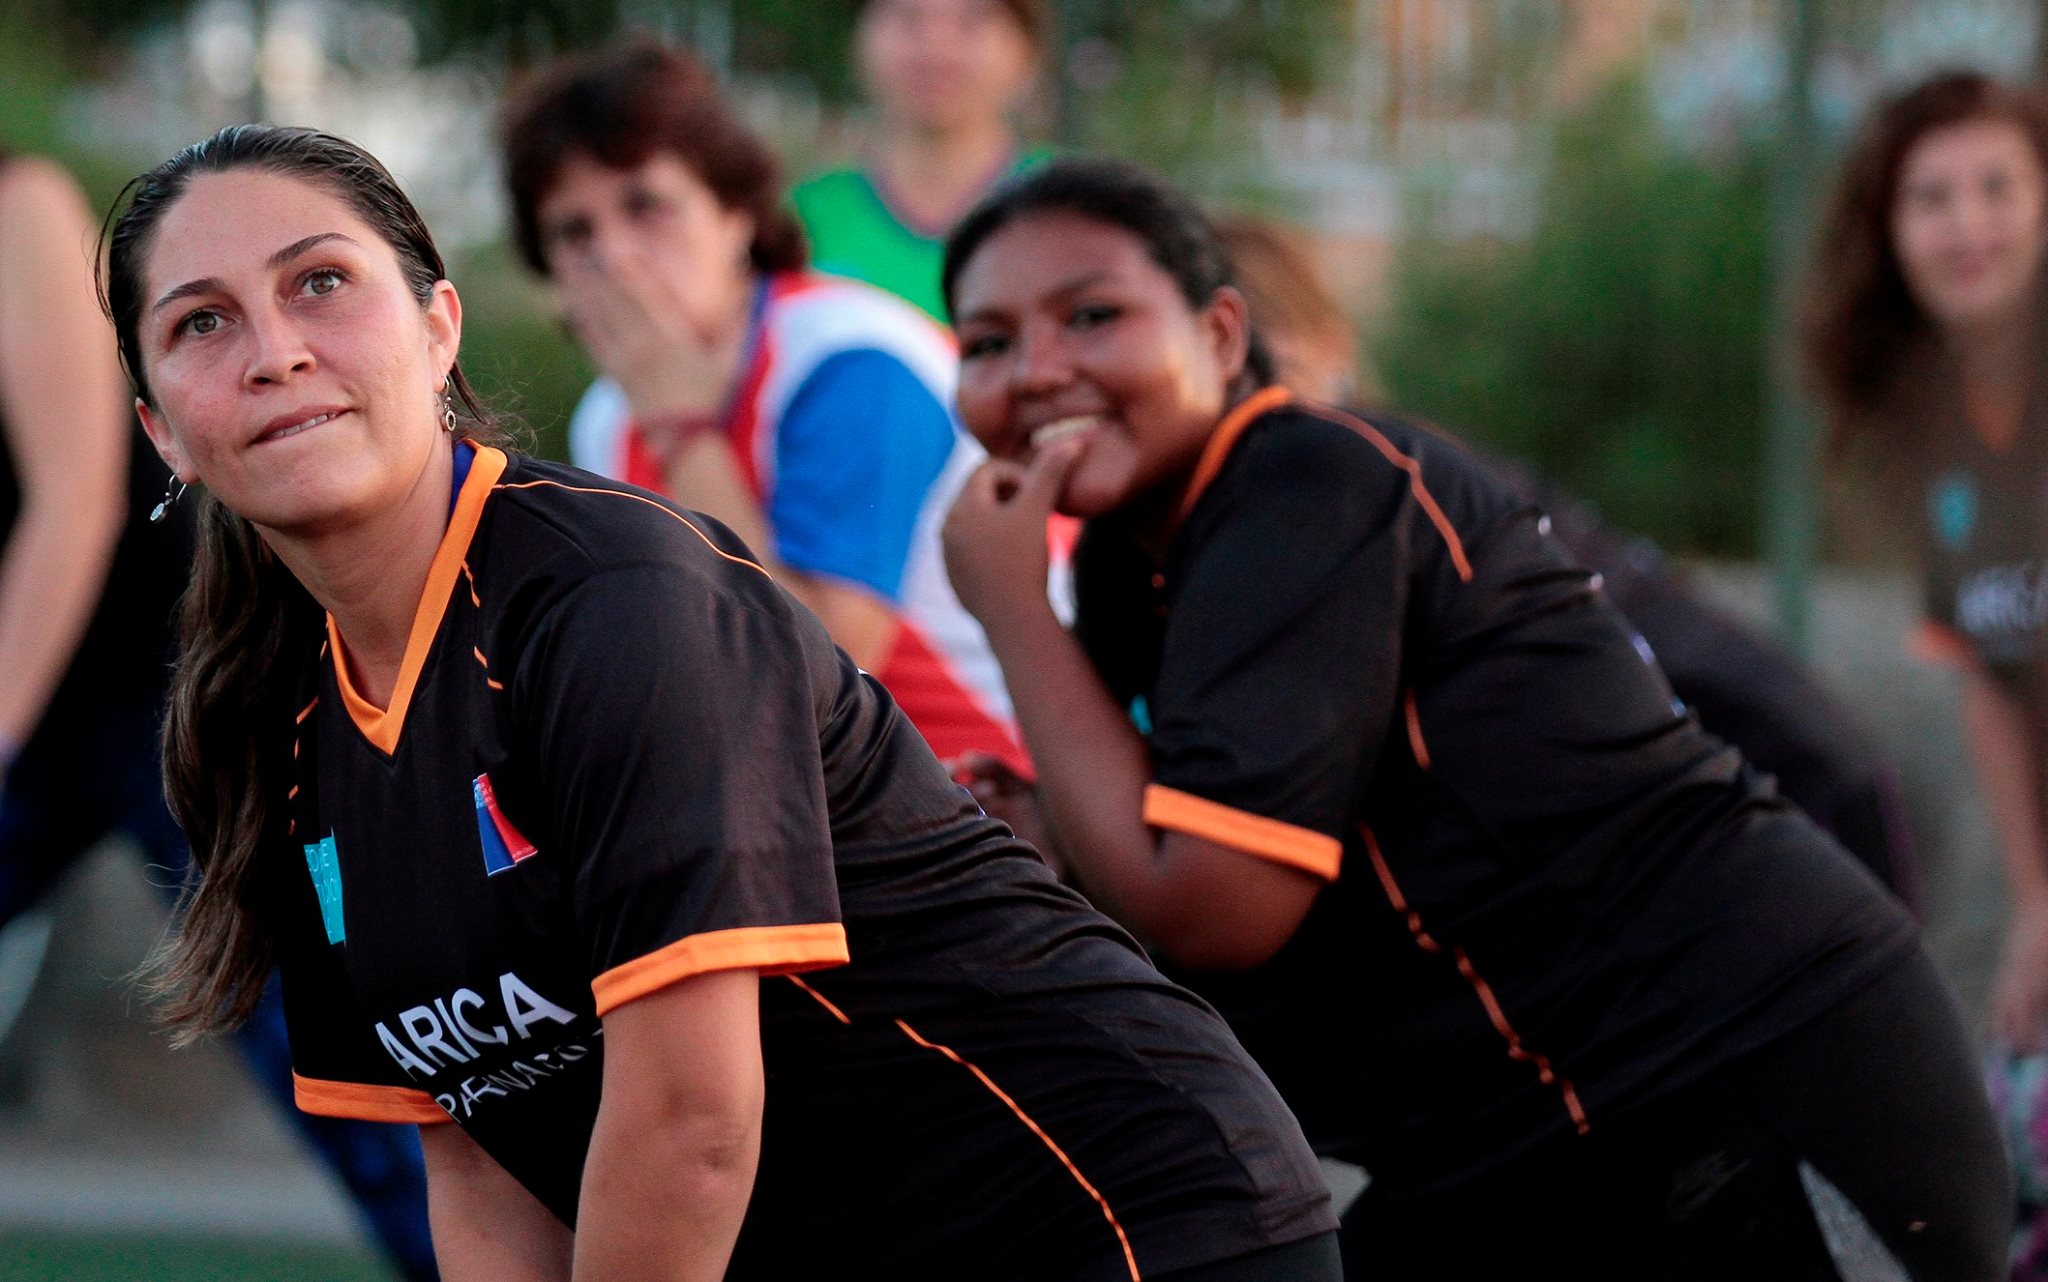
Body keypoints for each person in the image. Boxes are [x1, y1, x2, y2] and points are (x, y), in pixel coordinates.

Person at [108, 122, 1341, 1281]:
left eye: (321, 282)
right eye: (202, 322)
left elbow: (691, 1125)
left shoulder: (613, 600)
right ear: (163, 429)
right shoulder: (272, 722)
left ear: (438, 328)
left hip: (1114, 1217)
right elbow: (480, 1158)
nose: (274, 351)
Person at [941, 156, 2008, 1280]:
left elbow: (1213, 902)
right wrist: (1063, 835)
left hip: (1734, 1084)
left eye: (1093, 315)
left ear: (1218, 333)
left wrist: (1012, 608)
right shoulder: (1130, 570)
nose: (1038, 371)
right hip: (1516, 1149)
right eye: (988, 343)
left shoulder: (1302, 481)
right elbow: (1195, 877)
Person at [0, 149, 438, 1279]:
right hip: (38, 711)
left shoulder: (17, 205)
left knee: (330, 1047)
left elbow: (74, 503)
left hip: (167, 683)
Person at [1215, 213, 1921, 907]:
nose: (1253, 403)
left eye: (1274, 360)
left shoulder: (1375, 480)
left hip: (1776, 779)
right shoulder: (1357, 478)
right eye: (1227, 371)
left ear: (1334, 347)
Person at [505, 41, 1029, 776]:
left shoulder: (852, 358)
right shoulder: (613, 415)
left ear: (737, 214)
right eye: (574, 232)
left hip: (992, 790)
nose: (614, 257)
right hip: (811, 793)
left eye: (646, 207)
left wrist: (684, 431)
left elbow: (820, 667)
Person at [1803, 69, 2048, 1276]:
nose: (1967, 224)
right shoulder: (1925, 426)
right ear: (1886, 230)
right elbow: (1987, 676)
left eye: (1997, 187)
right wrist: (2032, 897)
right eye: (1930, 197)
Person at [793, 0, 1052, 319]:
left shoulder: (1081, 209)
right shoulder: (794, 225)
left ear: (1027, 50)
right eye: (908, 17)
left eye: (971, 20)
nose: (936, 46)